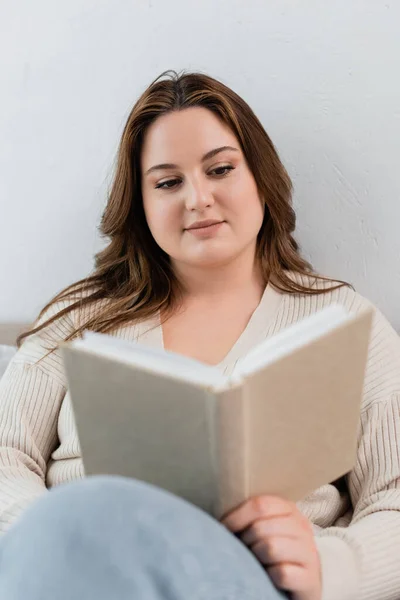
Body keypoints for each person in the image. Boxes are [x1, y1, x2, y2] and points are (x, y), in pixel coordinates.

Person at [0, 70, 399, 600]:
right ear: (141, 204)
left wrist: (330, 565)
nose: (198, 199)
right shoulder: (80, 319)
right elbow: (7, 454)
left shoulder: (346, 320)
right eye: (168, 182)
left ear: (260, 177)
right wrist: (55, 537)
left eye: (221, 169)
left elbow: (393, 498)